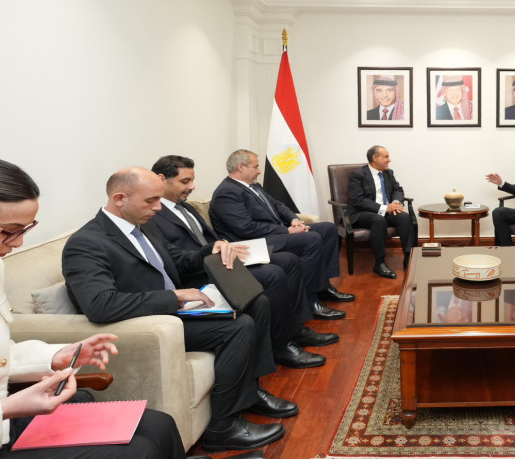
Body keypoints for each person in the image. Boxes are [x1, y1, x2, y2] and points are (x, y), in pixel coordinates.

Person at [62, 167, 296, 452]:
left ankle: (251, 391)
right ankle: (223, 427)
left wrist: (211, 249)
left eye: (159, 199)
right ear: (120, 198)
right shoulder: (86, 243)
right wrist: (174, 297)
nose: (158, 208)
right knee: (239, 326)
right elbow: (101, 305)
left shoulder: (145, 226)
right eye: (151, 200)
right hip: (149, 323)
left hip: (175, 312)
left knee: (256, 301)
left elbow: (179, 262)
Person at [0, 160, 186, 458]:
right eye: (9, 231)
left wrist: (55, 355)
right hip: (6, 416)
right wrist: (9, 407)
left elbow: (4, 353)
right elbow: (102, 304)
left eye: (26, 229)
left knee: (159, 424)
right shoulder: (88, 241)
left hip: (10, 413)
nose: (19, 242)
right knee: (139, 450)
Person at [148, 155, 338, 368]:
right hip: (202, 272)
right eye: (185, 181)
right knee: (272, 273)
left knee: (288, 261)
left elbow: (211, 239)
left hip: (223, 258)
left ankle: (296, 328)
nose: (192, 187)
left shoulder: (185, 207)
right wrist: (218, 249)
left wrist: (226, 248)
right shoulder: (153, 215)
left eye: (192, 180)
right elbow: (179, 258)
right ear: (162, 179)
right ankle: (282, 346)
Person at [209, 149, 350, 321]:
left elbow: (278, 205)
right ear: (241, 167)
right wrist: (287, 231)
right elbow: (246, 228)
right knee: (311, 239)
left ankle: (322, 287)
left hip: (272, 233)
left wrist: (293, 220)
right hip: (253, 243)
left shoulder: (253, 186)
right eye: (256, 167)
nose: (259, 171)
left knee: (328, 229)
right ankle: (311, 300)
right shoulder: (226, 193)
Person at [346, 146, 414, 279]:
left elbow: (398, 189)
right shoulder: (358, 175)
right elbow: (357, 200)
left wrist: (396, 203)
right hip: (362, 213)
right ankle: (380, 262)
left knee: (404, 217)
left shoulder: (388, 173)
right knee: (378, 219)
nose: (389, 160)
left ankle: (409, 257)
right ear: (375, 158)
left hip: (385, 211)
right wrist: (384, 208)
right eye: (386, 157)